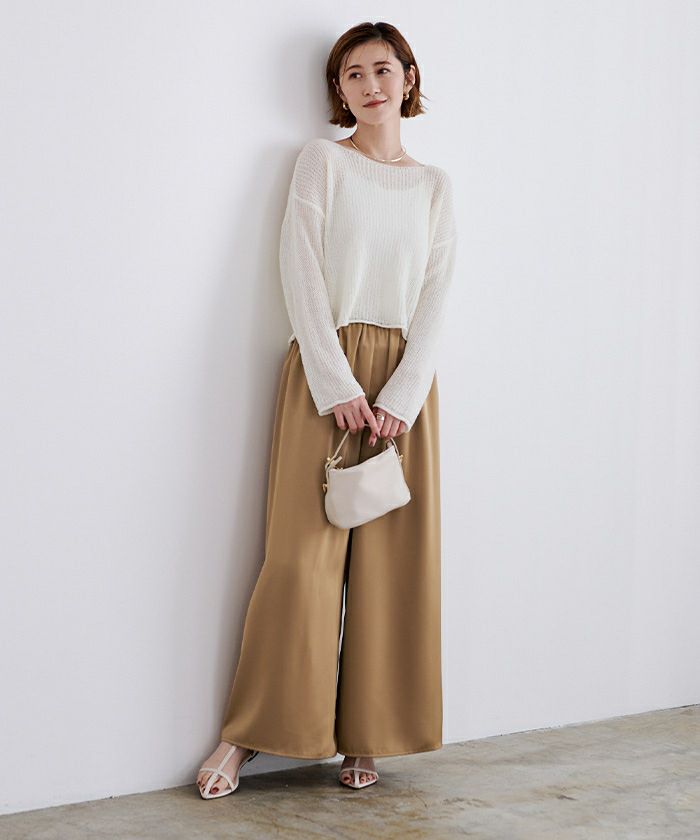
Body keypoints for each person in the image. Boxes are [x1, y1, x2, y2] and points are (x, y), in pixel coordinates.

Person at [196, 20, 457, 798]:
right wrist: (335, 381)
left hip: (405, 385)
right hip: (325, 372)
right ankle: (247, 736)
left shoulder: (435, 185)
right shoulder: (323, 161)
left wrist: (403, 394)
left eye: (382, 69)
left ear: (409, 77)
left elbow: (439, 293)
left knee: (392, 569)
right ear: (338, 90)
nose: (369, 85)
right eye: (352, 75)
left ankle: (366, 735)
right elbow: (300, 266)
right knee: (299, 563)